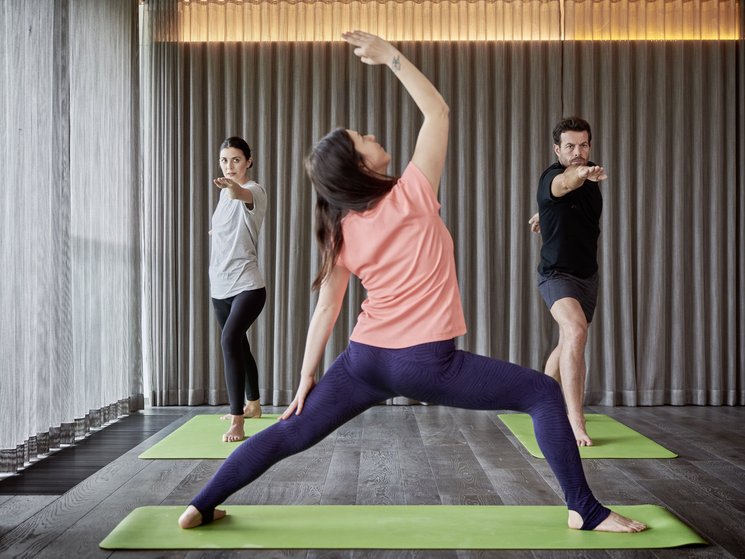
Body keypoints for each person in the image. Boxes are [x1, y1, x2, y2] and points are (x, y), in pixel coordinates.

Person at [179, 32, 645, 534]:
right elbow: (438, 112)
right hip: (426, 363)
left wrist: (306, 377)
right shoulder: (412, 192)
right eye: (363, 138)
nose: (372, 135)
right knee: (542, 395)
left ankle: (200, 504)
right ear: (360, 165)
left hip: (364, 361)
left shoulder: (341, 228)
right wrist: (391, 58)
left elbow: (328, 309)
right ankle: (586, 510)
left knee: (293, 431)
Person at [528, 117, 605, 447]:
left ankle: (540, 405)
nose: (578, 152)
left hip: (587, 276)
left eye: (583, 145)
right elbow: (563, 185)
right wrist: (580, 174)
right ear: (557, 149)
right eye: (570, 146)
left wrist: (541, 216)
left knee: (567, 343)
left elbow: (563, 207)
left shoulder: (591, 182)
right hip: (555, 274)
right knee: (575, 331)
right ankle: (575, 420)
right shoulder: (555, 177)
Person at [209, 136, 268, 442]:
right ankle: (253, 404)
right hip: (220, 286)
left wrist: (232, 187)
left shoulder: (253, 190)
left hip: (248, 285)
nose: (229, 166)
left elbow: (241, 193)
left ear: (248, 161)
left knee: (229, 340)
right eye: (224, 160)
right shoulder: (222, 199)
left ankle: (237, 420)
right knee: (239, 344)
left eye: (235, 160)